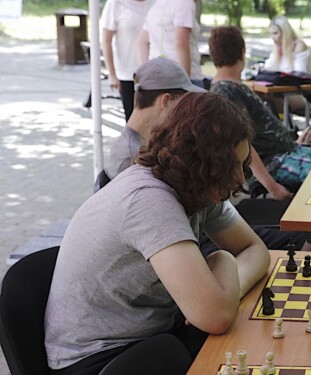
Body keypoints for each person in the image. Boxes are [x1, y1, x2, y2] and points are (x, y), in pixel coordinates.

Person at [45, 92, 272, 374]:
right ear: (199, 162)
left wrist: (226, 289)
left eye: (244, 163)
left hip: (152, 337)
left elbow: (256, 250)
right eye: (230, 167)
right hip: (101, 360)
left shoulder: (196, 187)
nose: (240, 179)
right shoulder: (149, 201)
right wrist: (222, 260)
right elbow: (215, 316)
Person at [104, 57, 308, 251]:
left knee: (303, 235)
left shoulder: (146, 146)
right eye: (185, 103)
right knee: (304, 239)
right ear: (167, 102)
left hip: (206, 227)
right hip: (189, 244)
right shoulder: (133, 162)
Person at [209, 26, 311, 192]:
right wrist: (272, 187)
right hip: (273, 163)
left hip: (287, 152)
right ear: (242, 53)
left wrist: (290, 142)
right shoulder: (225, 92)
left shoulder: (231, 87)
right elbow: (241, 144)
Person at [104, 57, 204, 179]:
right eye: (181, 104)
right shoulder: (133, 161)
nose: (183, 111)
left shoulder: (140, 144)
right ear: (167, 101)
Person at [101, 0, 155, 122]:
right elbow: (106, 41)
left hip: (153, 72)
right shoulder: (115, 4)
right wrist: (112, 74)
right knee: (131, 120)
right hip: (127, 72)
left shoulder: (156, 3)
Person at [138, 0, 207, 88]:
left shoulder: (157, 4)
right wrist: (186, 84)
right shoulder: (185, 3)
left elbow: (142, 42)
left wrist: (145, 75)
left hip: (157, 77)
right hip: (184, 76)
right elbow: (181, 43)